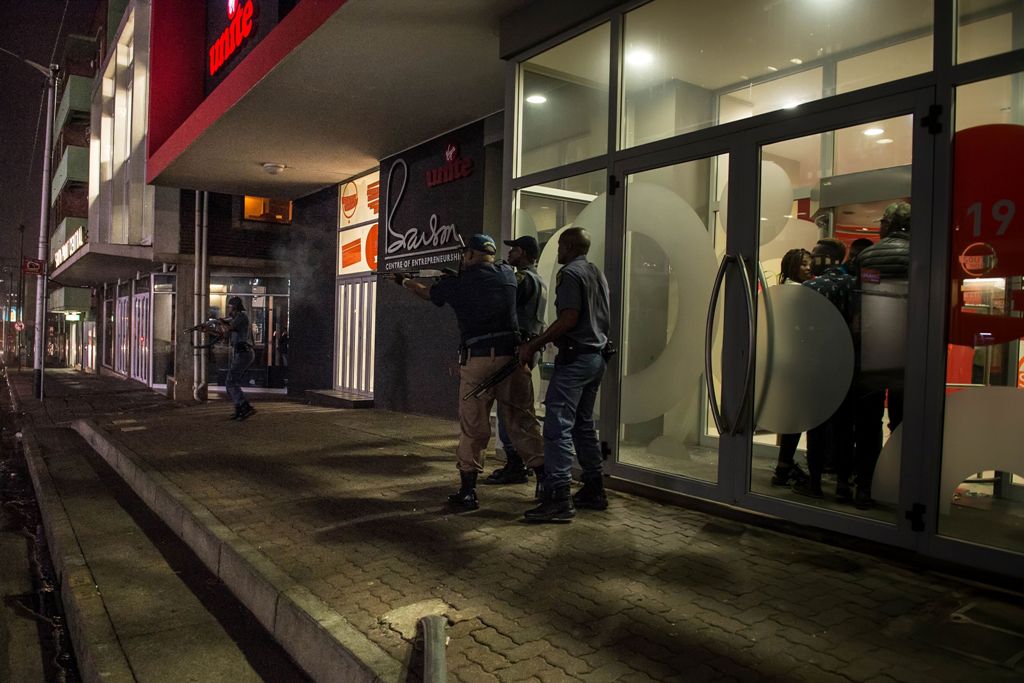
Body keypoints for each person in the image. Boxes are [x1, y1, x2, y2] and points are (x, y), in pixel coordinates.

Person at [400, 234, 544, 511]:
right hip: (512, 361)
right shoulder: (509, 275)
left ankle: (468, 493)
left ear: (469, 255)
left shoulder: (458, 283)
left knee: (474, 429)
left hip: (478, 362)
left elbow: (426, 292)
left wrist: (403, 280)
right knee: (523, 424)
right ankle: (546, 484)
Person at [517, 227, 612, 523]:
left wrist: (535, 343)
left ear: (570, 247)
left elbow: (569, 318)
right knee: (583, 425)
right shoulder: (596, 272)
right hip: (595, 357)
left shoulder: (570, 274)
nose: (557, 251)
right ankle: (594, 489)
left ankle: (558, 498)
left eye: (560, 246)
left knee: (557, 426)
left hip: (575, 359)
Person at [849, 201, 911, 509]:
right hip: (907, 348)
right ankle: (901, 487)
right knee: (902, 422)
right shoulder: (919, 254)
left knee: (868, 421)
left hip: (873, 346)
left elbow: (863, 299)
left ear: (888, 225)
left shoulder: (869, 256)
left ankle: (865, 486)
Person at [793, 239, 856, 499]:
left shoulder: (811, 287)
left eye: (817, 255)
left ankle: (815, 482)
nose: (813, 259)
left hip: (817, 367)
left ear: (828, 257)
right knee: (844, 428)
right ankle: (843, 484)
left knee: (816, 427)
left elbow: (799, 328)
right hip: (848, 365)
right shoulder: (853, 286)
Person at [483, 235, 547, 487]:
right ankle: (520, 464)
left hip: (515, 351)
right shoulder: (538, 279)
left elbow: (500, 302)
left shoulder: (521, 279)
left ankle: (518, 465)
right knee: (514, 411)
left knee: (513, 413)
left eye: (514, 250)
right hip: (526, 348)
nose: (510, 254)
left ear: (524, 253)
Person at [771, 248, 812, 487]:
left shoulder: (783, 287)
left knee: (791, 416)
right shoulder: (799, 292)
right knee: (794, 417)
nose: (809, 267)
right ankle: (784, 466)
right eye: (804, 264)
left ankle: (784, 465)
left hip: (785, 360)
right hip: (795, 361)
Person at [221, 296, 256, 420]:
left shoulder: (241, 317)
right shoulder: (238, 318)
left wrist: (220, 322)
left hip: (243, 352)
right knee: (231, 382)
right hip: (241, 352)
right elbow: (224, 333)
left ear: (234, 307)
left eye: (230, 306)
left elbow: (228, 329)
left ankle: (244, 406)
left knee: (230, 382)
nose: (229, 309)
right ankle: (240, 408)